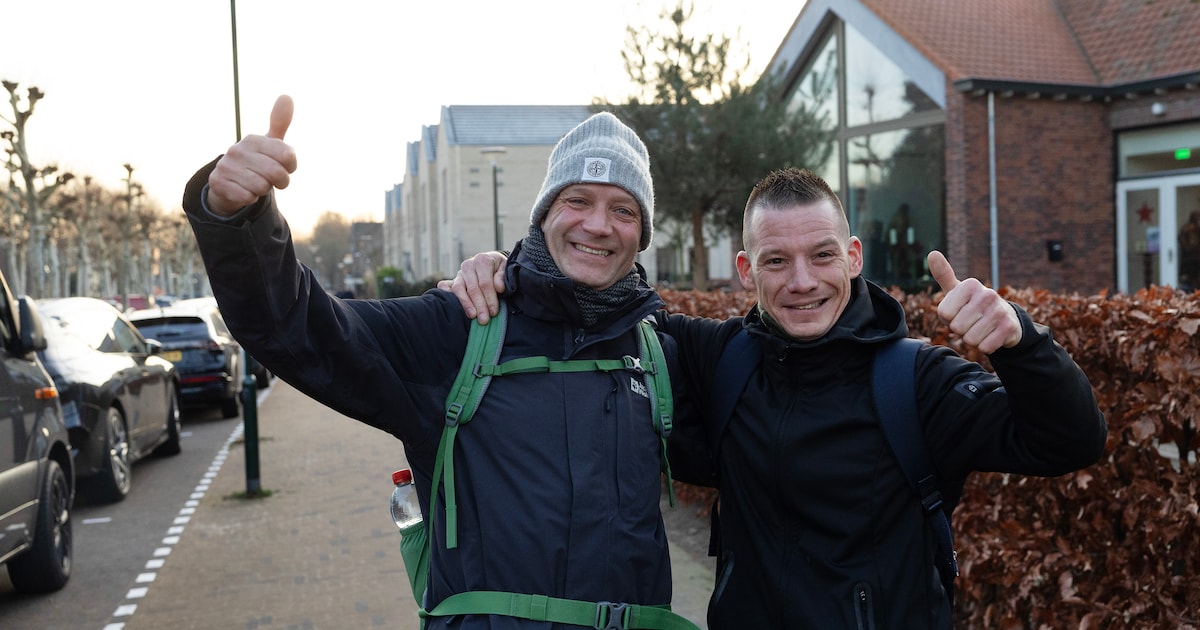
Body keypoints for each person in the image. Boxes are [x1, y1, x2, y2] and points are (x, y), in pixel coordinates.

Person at [448, 167, 1107, 629]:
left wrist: (1022, 344)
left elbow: (1069, 441)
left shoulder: (916, 381)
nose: (801, 282)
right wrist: (511, 268)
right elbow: (595, 311)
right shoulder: (719, 355)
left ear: (852, 256)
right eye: (775, 261)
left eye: (821, 256)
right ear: (745, 270)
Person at [182, 95, 700, 629]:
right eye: (578, 200)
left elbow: (769, 409)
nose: (598, 224)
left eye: (623, 210)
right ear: (544, 214)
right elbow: (300, 329)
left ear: (641, 235)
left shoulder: (661, 351)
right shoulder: (458, 328)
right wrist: (238, 220)